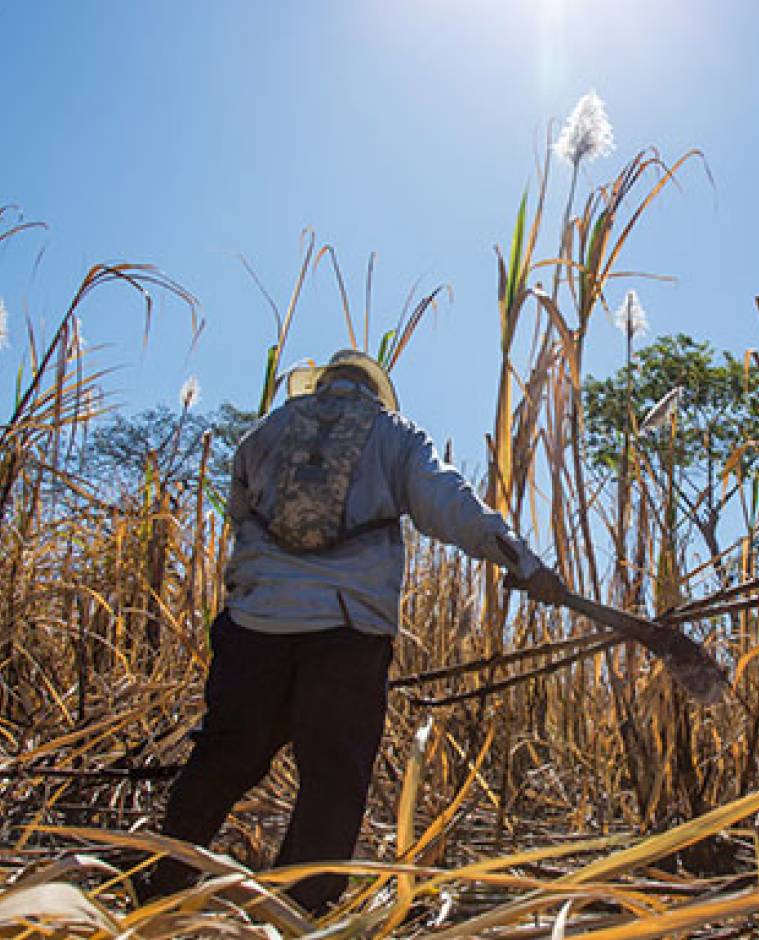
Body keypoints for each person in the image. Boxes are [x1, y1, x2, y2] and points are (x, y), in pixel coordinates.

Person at [139, 349, 566, 912]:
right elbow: (449, 502)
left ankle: (160, 886)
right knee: (333, 777)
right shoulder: (395, 434)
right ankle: (294, 915)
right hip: (346, 633)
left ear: (324, 385)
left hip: (255, 626)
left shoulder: (268, 430)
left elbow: (240, 513)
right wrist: (523, 562)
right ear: (372, 391)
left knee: (224, 755)